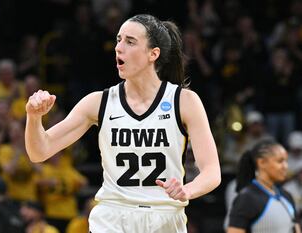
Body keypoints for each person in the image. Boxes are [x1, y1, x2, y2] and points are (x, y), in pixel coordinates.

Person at [24, 14, 221, 233]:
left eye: (130, 41)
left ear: (153, 54)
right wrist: (33, 118)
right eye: (118, 39)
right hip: (112, 217)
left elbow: (212, 171)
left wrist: (188, 190)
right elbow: (39, 152)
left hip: (165, 216)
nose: (118, 47)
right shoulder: (98, 102)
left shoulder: (184, 101)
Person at [227, 140, 301, 233]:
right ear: (262, 163)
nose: (285, 166)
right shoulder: (246, 198)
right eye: (280, 161)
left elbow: (296, 228)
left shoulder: (286, 195)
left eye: (286, 161)